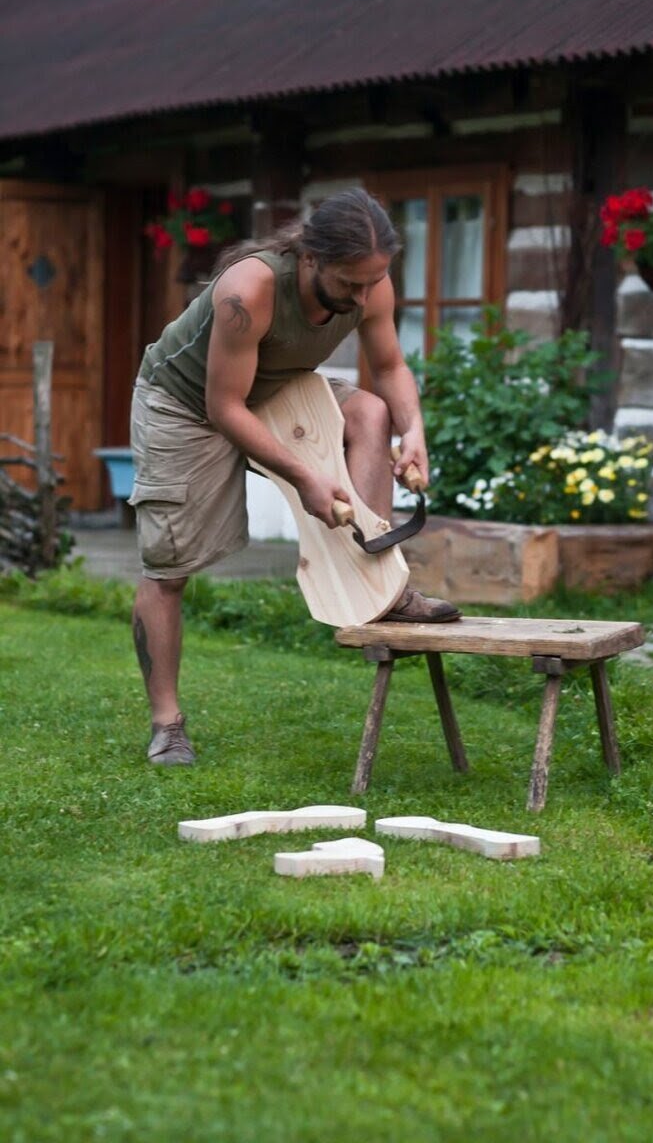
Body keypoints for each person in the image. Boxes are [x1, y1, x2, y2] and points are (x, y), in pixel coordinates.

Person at [129, 188, 460, 766]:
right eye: (351, 284)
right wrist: (306, 477)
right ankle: (167, 724)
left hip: (276, 384)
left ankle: (381, 588)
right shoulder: (248, 290)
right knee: (169, 567)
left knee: (372, 413)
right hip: (185, 403)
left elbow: (390, 366)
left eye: (373, 282)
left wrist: (415, 433)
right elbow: (224, 407)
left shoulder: (370, 282)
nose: (364, 296)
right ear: (310, 258)